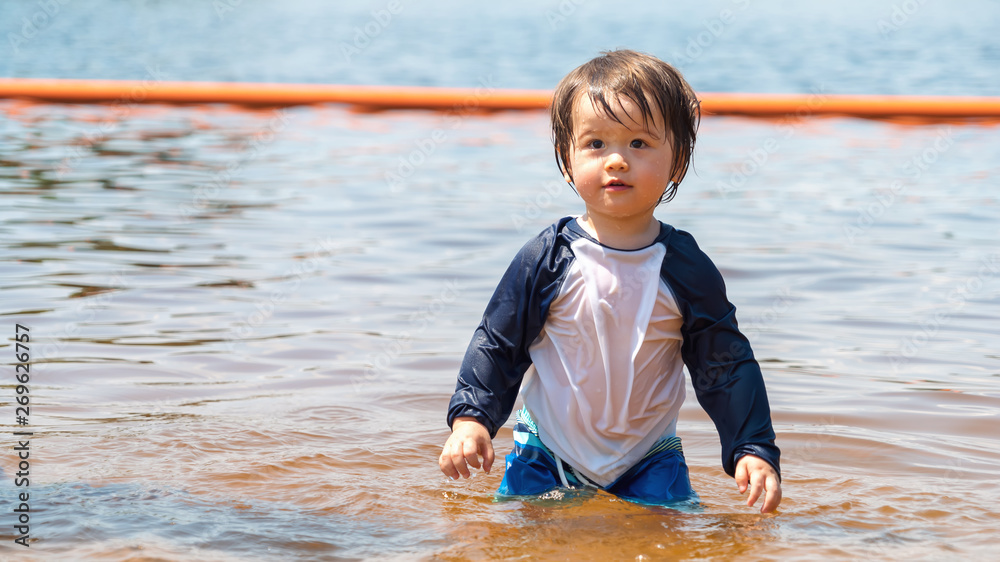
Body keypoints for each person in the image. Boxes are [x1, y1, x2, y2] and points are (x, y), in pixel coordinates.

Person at [439, 49, 782, 513]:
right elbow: (498, 344)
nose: (616, 160)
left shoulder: (685, 267)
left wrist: (751, 448)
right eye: (596, 144)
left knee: (672, 541)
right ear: (567, 157)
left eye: (639, 143)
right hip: (547, 452)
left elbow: (725, 364)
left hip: (649, 457)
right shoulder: (547, 257)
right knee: (517, 541)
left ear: (678, 161)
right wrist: (471, 420)